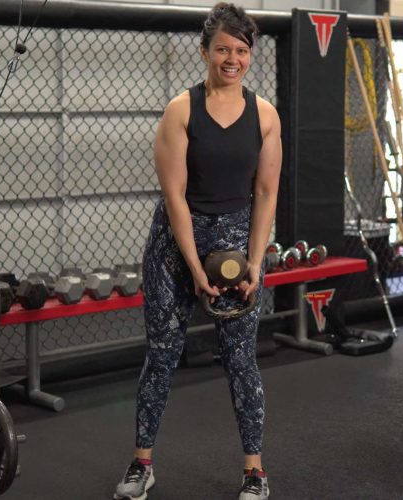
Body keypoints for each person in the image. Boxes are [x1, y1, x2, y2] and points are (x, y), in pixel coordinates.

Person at [113, 3, 281, 500]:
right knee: (163, 353)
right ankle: (142, 464)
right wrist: (192, 266)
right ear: (205, 50)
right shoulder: (179, 111)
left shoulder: (265, 115)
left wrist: (254, 262)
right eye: (223, 49)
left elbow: (266, 194)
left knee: (240, 359)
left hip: (234, 241)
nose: (233, 59)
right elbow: (175, 197)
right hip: (174, 245)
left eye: (242, 51)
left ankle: (255, 472)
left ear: (251, 55)